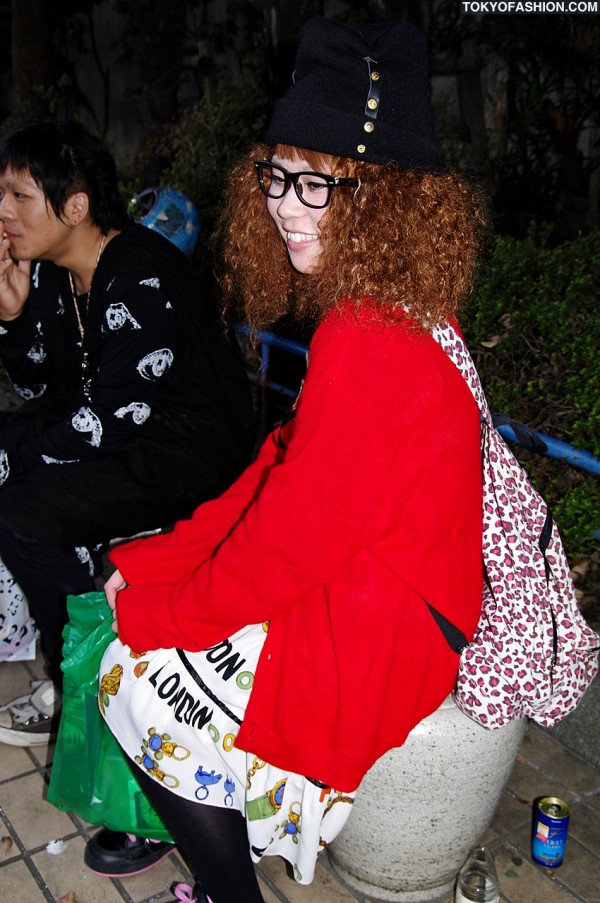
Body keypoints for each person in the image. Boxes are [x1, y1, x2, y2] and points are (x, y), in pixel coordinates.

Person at [90, 17, 486, 903]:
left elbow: (292, 539)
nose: (287, 204)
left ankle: (234, 894)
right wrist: (161, 558)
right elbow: (289, 477)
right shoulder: (392, 302)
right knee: (155, 587)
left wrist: (162, 610)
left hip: (392, 621)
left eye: (323, 184)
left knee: (133, 676)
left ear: (385, 196)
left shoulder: (365, 335)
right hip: (402, 580)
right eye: (278, 173)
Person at [0, 118, 256, 745]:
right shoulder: (61, 275)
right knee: (16, 459)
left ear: (75, 205)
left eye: (19, 196)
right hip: (127, 438)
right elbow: (44, 392)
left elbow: (113, 420)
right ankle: (70, 654)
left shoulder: (140, 273)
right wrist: (9, 317)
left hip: (189, 455)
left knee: (22, 510)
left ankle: (81, 690)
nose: (3, 212)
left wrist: (14, 459)